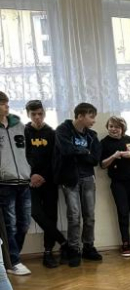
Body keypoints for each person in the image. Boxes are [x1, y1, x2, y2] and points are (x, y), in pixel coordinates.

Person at [53, 102, 102, 267]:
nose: (94, 120)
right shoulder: (63, 130)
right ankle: (74, 249)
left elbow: (95, 159)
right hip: (69, 179)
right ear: (80, 116)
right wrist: (85, 151)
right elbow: (66, 151)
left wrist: (78, 152)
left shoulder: (92, 135)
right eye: (91, 117)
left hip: (88, 178)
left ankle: (88, 246)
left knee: (90, 216)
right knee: (74, 216)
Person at [24, 99, 67, 269]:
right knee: (35, 213)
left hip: (48, 181)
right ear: (28, 114)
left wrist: (43, 175)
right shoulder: (23, 132)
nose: (37, 117)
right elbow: (22, 156)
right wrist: (32, 175)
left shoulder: (51, 133)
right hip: (30, 182)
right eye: (33, 114)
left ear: (44, 113)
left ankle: (48, 252)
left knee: (51, 215)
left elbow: (55, 159)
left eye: (40, 113)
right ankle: (63, 242)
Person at [100, 116, 130, 257]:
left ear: (122, 128)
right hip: (118, 183)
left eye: (117, 127)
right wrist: (114, 157)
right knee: (123, 213)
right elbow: (102, 165)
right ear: (107, 127)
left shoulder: (129, 140)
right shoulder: (104, 143)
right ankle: (125, 243)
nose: (113, 129)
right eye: (111, 126)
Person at [0, 91, 32, 276]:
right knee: (9, 224)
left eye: (7, 102)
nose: (7, 106)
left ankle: (11, 257)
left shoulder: (18, 125)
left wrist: (30, 170)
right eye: (2, 103)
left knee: (24, 223)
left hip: (24, 181)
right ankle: (13, 262)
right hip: (5, 183)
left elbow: (28, 151)